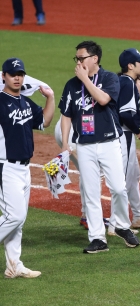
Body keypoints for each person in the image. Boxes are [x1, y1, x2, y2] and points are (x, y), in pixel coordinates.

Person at [60, 41, 140, 253]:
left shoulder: (109, 78)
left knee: (118, 188)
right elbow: (66, 114)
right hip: (84, 145)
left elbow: (103, 99)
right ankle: (98, 238)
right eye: (76, 58)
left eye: (81, 58)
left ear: (94, 59)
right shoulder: (71, 85)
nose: (78, 62)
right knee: (91, 193)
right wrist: (66, 143)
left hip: (108, 142)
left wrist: (85, 79)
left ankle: (122, 225)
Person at [0, 58, 54, 278]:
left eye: (20, 74)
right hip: (5, 167)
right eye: (13, 74)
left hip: (24, 168)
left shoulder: (25, 102)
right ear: (4, 76)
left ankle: (14, 266)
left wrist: (50, 97)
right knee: (14, 215)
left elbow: (44, 122)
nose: (17, 78)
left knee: (19, 220)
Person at [113, 48, 140, 231]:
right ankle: (116, 224)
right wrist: (138, 130)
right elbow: (125, 114)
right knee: (121, 181)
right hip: (124, 135)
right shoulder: (128, 83)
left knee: (132, 176)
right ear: (130, 66)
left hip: (123, 134)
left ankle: (138, 215)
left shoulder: (123, 82)